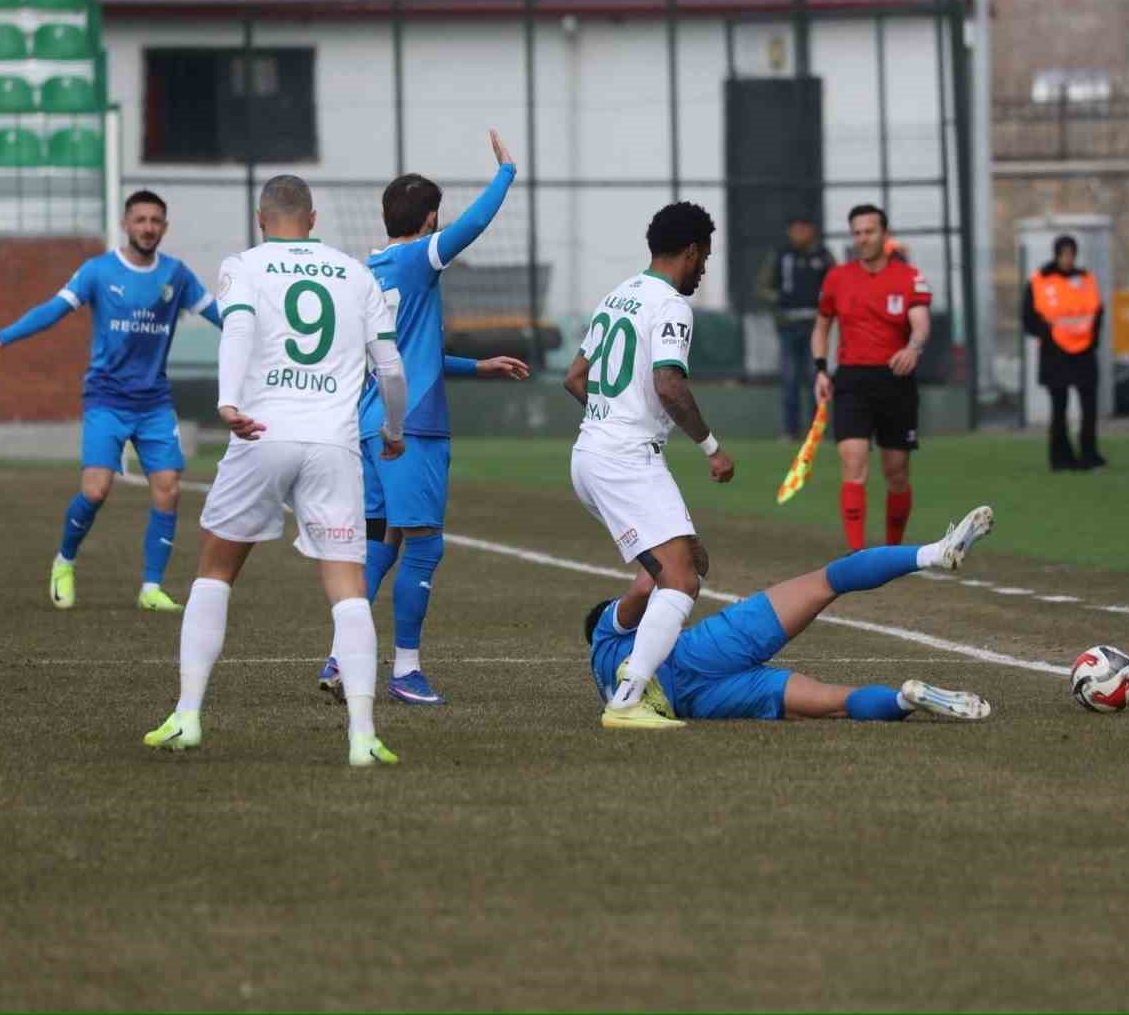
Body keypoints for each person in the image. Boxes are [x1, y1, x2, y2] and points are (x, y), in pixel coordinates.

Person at [144, 175, 408, 767]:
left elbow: (236, 328)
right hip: (332, 445)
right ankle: (362, 734)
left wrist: (227, 402)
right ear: (312, 219)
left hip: (259, 436)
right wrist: (393, 432)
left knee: (214, 573)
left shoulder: (245, 265)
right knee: (348, 590)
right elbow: (390, 368)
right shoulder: (356, 273)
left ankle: (188, 715)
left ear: (262, 218)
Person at [314, 130, 530, 709]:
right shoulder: (418, 257)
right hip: (413, 429)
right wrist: (506, 172)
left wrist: (475, 365)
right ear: (430, 218)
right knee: (426, 546)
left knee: (382, 543)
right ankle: (405, 670)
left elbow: (399, 350)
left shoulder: (365, 270)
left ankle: (340, 656)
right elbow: (472, 228)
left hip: (370, 422)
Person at [0, 190, 222, 613]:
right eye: (140, 220)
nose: (148, 227)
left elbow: (220, 314)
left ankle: (151, 588)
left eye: (156, 221)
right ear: (126, 224)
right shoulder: (98, 271)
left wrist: (265, 336)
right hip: (106, 398)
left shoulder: (177, 275)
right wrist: (2, 338)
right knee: (96, 490)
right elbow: (53, 310)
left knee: (168, 489)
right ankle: (64, 560)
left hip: (154, 401)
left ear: (165, 228)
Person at [564, 201, 735, 730]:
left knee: (675, 566)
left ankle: (632, 683)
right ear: (689, 251)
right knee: (681, 583)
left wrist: (610, 414)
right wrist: (711, 448)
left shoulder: (617, 295)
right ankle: (628, 698)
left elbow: (575, 378)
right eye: (703, 258)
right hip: (623, 461)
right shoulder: (670, 306)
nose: (703, 270)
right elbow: (669, 385)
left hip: (590, 455)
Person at [584, 505, 995, 723]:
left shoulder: (604, 680)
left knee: (838, 704)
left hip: (703, 701)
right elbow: (645, 585)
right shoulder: (606, 631)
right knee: (828, 581)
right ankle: (934, 554)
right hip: (703, 650)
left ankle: (904, 700)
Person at [812, 203, 933, 551]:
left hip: (896, 381)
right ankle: (856, 553)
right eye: (857, 233)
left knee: (896, 473)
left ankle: (893, 551)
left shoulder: (909, 276)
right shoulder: (838, 277)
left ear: (885, 235)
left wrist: (913, 348)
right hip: (851, 380)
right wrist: (821, 369)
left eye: (870, 231)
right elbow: (821, 326)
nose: (863, 239)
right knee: (854, 464)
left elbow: (921, 322)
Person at [1022, 235, 1105, 471]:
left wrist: (1093, 340)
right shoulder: (1039, 280)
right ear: (1056, 254)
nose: (1068, 259)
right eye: (1064, 254)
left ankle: (1089, 454)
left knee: (1089, 406)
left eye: (1072, 254)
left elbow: (1098, 311)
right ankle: (1060, 457)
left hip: (1084, 351)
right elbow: (1028, 318)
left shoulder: (1085, 279)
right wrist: (1047, 335)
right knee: (1059, 407)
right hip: (1054, 353)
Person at [755, 216, 834, 439]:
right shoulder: (780, 255)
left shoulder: (822, 255)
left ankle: (818, 429)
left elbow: (836, 283)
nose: (799, 233)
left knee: (815, 377)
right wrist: (778, 299)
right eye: (795, 229)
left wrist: (825, 307)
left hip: (816, 328)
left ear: (812, 230)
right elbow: (762, 286)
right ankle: (791, 431)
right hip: (788, 326)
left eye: (804, 228)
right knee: (789, 380)